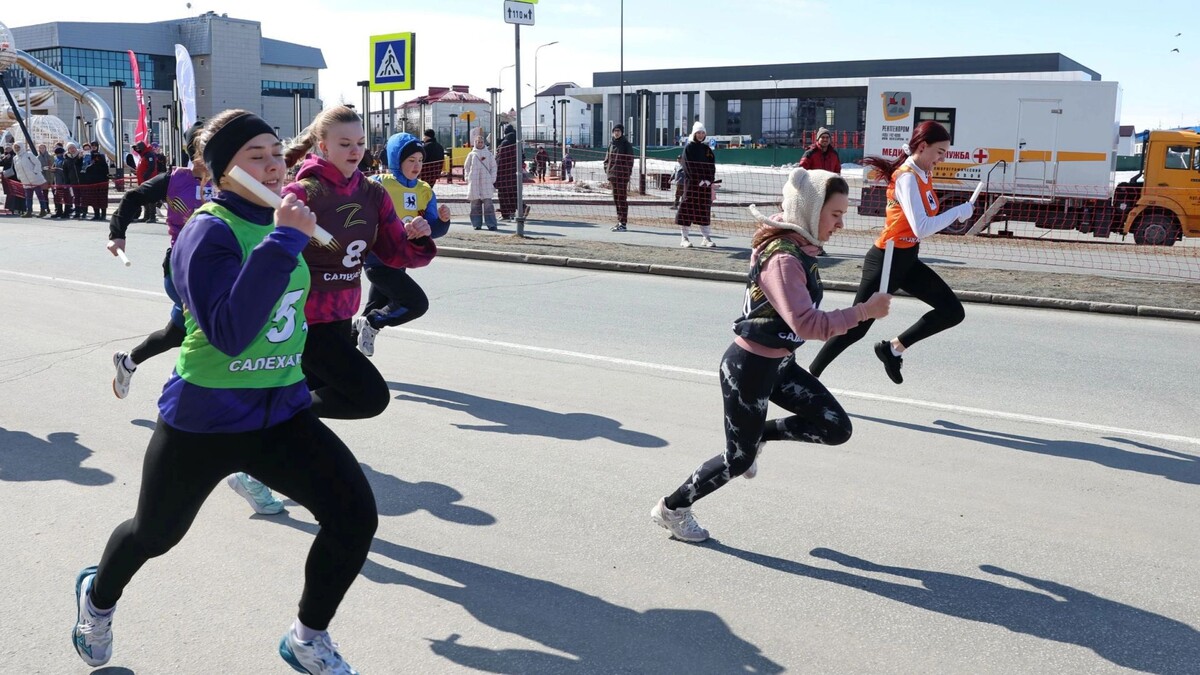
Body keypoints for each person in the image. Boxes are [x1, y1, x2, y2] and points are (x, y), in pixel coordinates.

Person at [70, 109, 377, 674]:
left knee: (354, 516)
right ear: (220, 172)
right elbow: (231, 333)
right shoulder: (207, 231)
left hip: (280, 411)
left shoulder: (288, 219)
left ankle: (307, 637)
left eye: (276, 152)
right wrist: (286, 238)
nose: (273, 164)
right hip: (205, 419)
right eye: (254, 156)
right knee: (153, 535)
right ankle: (97, 598)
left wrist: (414, 240)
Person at [650, 168, 892, 543]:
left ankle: (760, 432)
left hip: (779, 364)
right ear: (810, 212)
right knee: (738, 460)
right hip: (748, 370)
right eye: (836, 214)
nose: (841, 224)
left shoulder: (798, 243)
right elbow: (807, 323)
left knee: (835, 428)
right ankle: (672, 509)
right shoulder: (784, 258)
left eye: (844, 214)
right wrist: (864, 311)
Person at [808, 121, 973, 385]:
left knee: (952, 311)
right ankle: (808, 376)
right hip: (886, 261)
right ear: (922, 147)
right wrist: (958, 212)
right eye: (940, 152)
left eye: (945, 153)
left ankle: (892, 349)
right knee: (855, 329)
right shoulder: (907, 177)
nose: (942, 158)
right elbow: (920, 227)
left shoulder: (923, 173)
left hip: (906, 259)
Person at [108, 123, 211, 398]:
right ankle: (182, 398)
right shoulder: (175, 179)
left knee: (175, 334)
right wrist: (117, 234)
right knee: (209, 333)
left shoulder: (234, 180)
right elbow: (132, 197)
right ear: (194, 150)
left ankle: (127, 362)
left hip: (223, 269)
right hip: (183, 271)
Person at [355, 131, 451, 357]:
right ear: (396, 159)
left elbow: (433, 231)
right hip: (377, 261)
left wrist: (442, 221)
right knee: (415, 303)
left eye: (420, 160)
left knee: (366, 318)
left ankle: (338, 364)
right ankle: (372, 322)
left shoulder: (425, 190)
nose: (417, 165)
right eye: (411, 160)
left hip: (402, 259)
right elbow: (359, 218)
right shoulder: (378, 184)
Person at [675, 121, 716, 248]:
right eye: (698, 132)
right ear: (694, 133)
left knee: (704, 210)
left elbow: (711, 166)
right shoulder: (689, 148)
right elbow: (688, 167)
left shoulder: (707, 149)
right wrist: (698, 180)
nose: (701, 135)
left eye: (703, 133)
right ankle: (684, 238)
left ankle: (706, 237)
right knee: (687, 209)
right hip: (692, 185)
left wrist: (709, 180)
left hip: (705, 186)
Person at [464, 127, 498, 231]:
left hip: (486, 183)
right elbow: (466, 167)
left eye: (481, 142)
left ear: (484, 143)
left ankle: (491, 224)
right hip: (474, 183)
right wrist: (467, 178)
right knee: (475, 205)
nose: (480, 143)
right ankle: (476, 224)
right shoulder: (471, 155)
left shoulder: (489, 154)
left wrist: (492, 179)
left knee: (488, 205)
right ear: (475, 143)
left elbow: (494, 167)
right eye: (478, 142)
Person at [605, 124, 634, 232]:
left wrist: (626, 174)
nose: (616, 133)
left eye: (618, 131)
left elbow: (630, 161)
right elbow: (607, 160)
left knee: (622, 199)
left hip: (622, 176)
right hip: (613, 176)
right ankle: (619, 221)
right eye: (615, 131)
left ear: (622, 132)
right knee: (616, 199)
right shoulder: (611, 144)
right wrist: (607, 171)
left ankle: (623, 223)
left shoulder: (626, 145)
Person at [12, 142, 49, 218]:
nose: (17, 149)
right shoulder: (15, 158)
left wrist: (35, 172)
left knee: (39, 195)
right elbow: (17, 169)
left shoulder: (28, 154)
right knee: (28, 196)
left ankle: (43, 210)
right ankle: (29, 211)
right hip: (25, 180)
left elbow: (37, 163)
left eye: (18, 147)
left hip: (35, 179)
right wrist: (19, 176)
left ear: (22, 147)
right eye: (15, 147)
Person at [495, 124, 520, 220]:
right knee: (512, 193)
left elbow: (500, 159)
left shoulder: (505, 143)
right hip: (514, 172)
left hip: (503, 172)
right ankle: (513, 211)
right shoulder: (516, 142)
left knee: (503, 193)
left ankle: (506, 213)